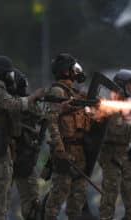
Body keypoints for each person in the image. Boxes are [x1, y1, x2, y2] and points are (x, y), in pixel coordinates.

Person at [0, 55, 44, 220]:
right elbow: (14, 104)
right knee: (0, 194)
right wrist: (32, 98)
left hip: (1, 147)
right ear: (1, 74)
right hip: (0, 148)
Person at [44, 53, 92, 220]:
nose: (76, 71)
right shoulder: (58, 91)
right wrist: (60, 149)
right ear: (66, 71)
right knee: (56, 200)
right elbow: (52, 120)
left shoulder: (76, 93)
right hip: (65, 151)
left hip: (80, 153)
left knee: (77, 202)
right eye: (73, 68)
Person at [98, 69, 131, 220]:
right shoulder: (111, 105)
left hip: (126, 156)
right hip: (112, 157)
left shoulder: (127, 105)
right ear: (121, 85)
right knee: (109, 200)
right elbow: (115, 129)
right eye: (130, 85)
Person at [8, 69, 43, 220]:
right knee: (30, 202)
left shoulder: (0, 103)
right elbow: (41, 116)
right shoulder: (24, 104)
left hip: (7, 157)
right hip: (22, 157)